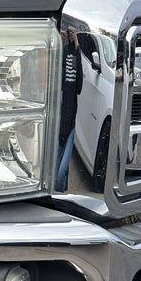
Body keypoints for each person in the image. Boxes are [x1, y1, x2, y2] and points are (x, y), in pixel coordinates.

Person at [55, 25, 82, 191]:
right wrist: (60, 40)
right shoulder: (59, 59)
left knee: (62, 171)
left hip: (70, 124)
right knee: (56, 169)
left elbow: (79, 87)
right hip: (57, 126)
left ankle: (58, 195)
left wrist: (77, 44)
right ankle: (57, 197)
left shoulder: (75, 56)